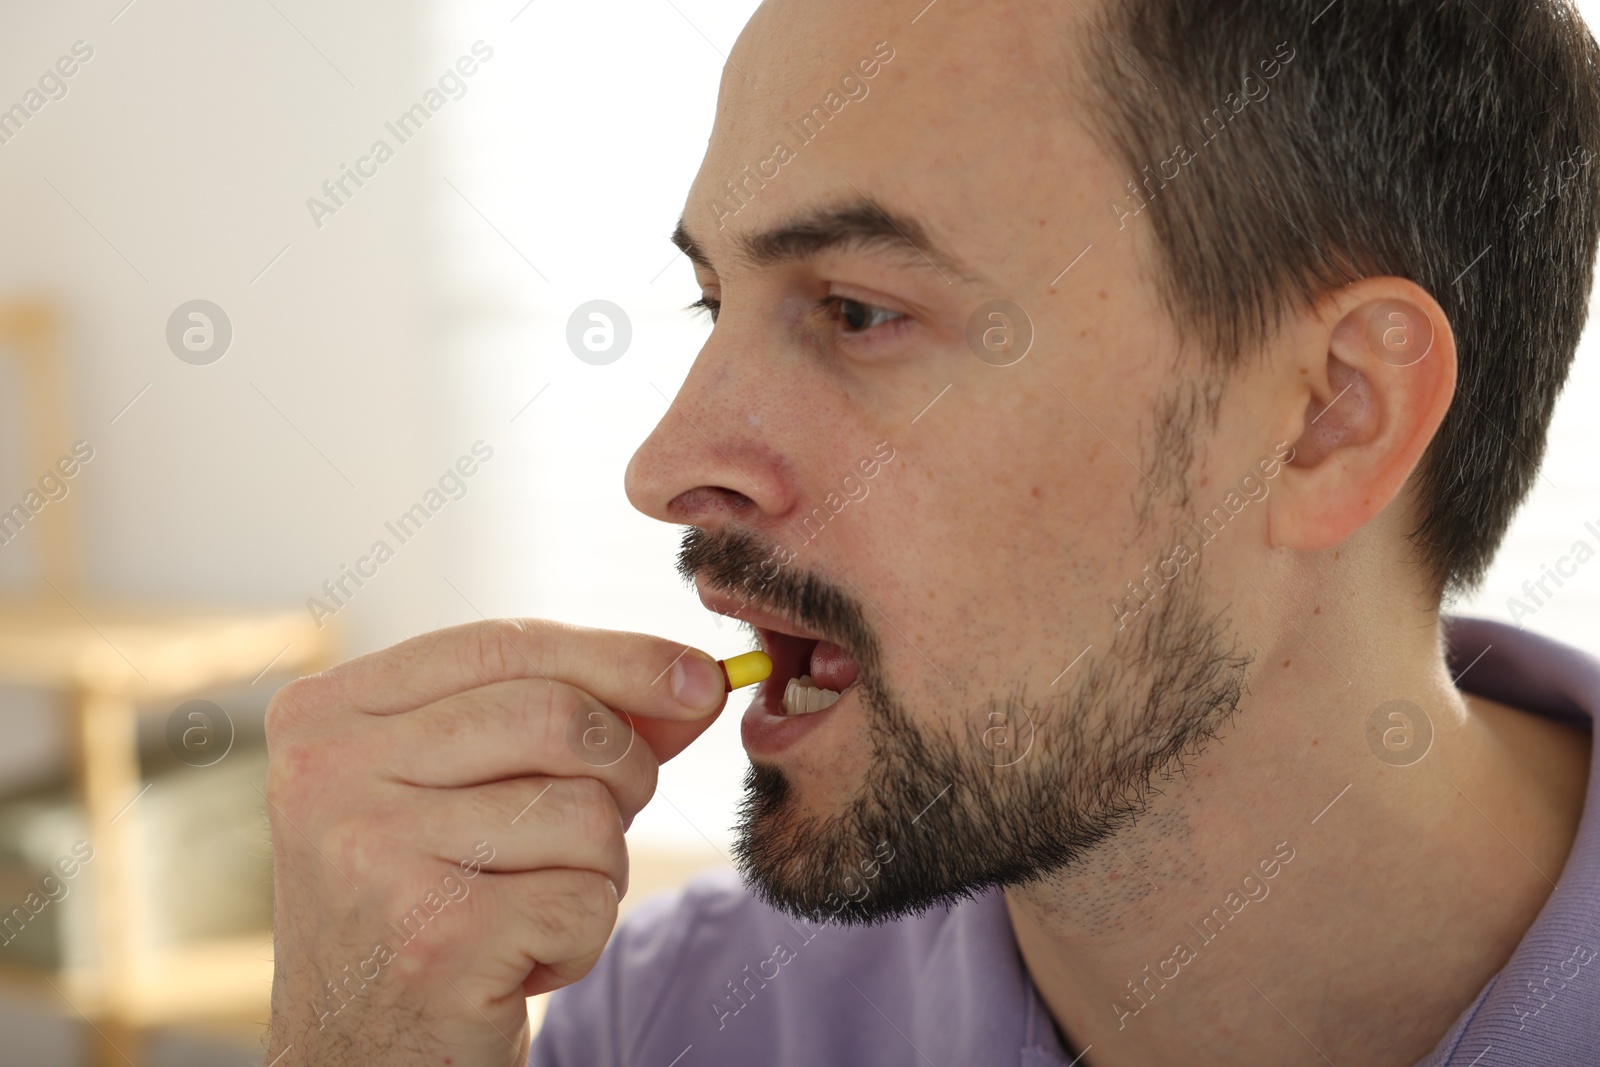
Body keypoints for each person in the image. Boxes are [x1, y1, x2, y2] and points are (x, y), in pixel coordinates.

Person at [261, 0, 1600, 1063]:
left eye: (856, 312)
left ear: (1331, 417)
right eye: (710, 302)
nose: (666, 471)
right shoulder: (676, 1026)